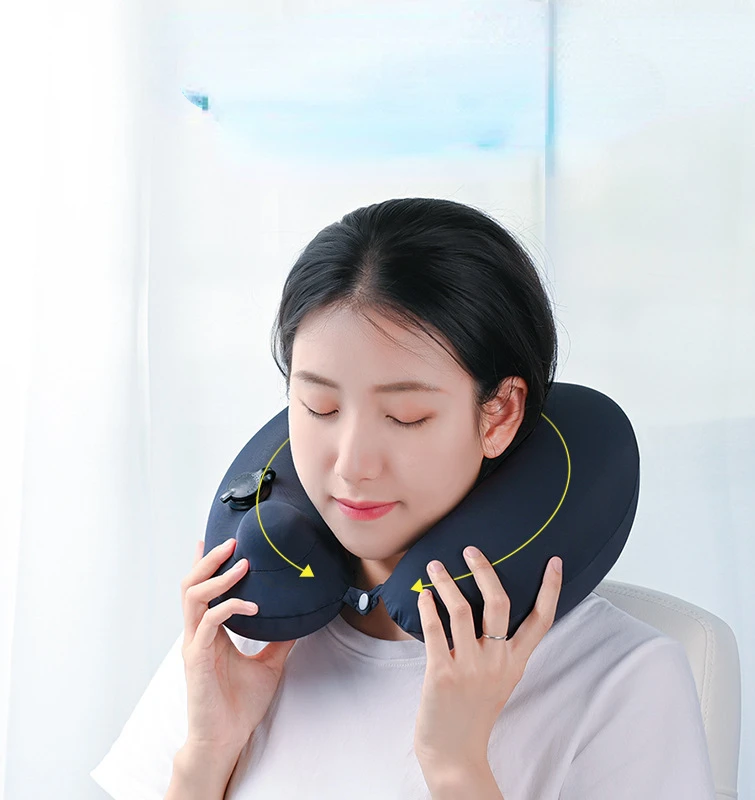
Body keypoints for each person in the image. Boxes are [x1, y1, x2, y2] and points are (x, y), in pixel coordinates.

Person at [90, 197, 717, 799]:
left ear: (499, 413)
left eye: (406, 416)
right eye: (319, 407)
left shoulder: (624, 678)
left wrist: (456, 767)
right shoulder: (241, 635)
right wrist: (207, 751)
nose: (351, 464)